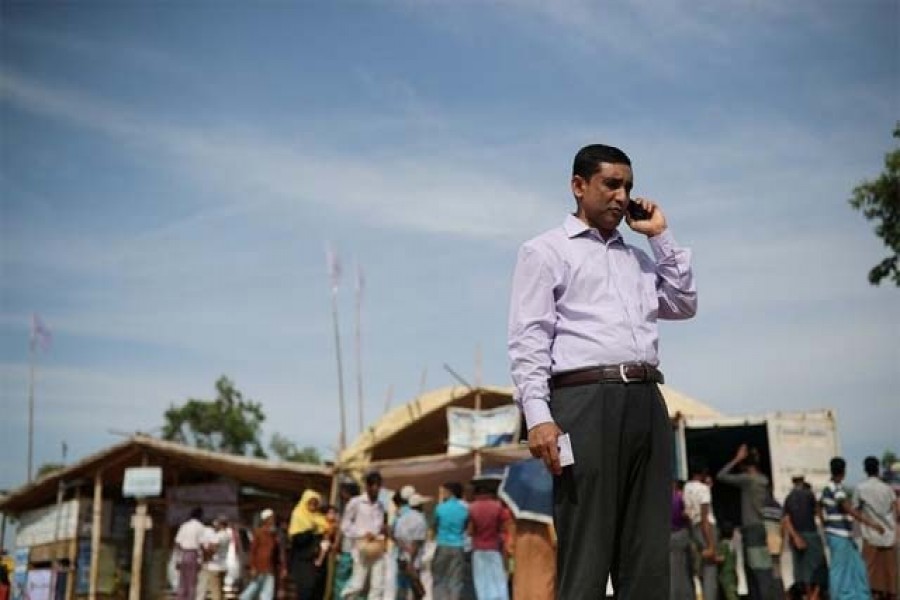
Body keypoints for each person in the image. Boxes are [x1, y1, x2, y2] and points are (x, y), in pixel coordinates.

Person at [508, 143, 697, 599]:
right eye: (611, 184)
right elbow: (528, 337)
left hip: (647, 400)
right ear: (578, 186)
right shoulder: (545, 251)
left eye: (628, 186)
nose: (621, 195)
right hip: (583, 402)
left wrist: (659, 237)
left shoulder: (638, 259)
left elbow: (683, 303)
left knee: (648, 553)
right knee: (587, 550)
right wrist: (539, 416)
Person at [717, 444, 777, 599]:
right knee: (762, 568)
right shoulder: (763, 480)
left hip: (751, 529)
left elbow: (721, 476)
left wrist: (737, 458)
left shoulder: (747, 480)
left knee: (755, 570)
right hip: (762, 527)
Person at [821, 456, 884, 600]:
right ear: (843, 472)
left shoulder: (829, 488)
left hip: (842, 535)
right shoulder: (836, 488)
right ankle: (837, 596)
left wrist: (826, 523)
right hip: (839, 536)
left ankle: (858, 595)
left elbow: (819, 505)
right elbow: (846, 507)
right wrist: (871, 523)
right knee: (839, 569)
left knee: (857, 566)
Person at [853, 456, 897, 600]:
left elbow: (856, 511)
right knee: (889, 570)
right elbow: (896, 509)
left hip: (870, 535)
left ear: (865, 470)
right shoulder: (887, 488)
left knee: (870, 571)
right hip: (888, 536)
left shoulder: (860, 488)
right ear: (878, 469)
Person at [340, 471, 387, 599]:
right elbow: (345, 525)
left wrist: (381, 532)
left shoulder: (381, 506)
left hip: (377, 547)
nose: (375, 488)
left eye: (378, 486)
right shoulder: (356, 502)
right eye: (372, 485)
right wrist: (361, 533)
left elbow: (379, 526)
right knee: (357, 585)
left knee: (378, 585)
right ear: (367, 486)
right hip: (361, 547)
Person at [783, 476, 827, 600]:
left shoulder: (788, 498)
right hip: (810, 534)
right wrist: (826, 527)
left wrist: (795, 537)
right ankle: (814, 595)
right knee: (818, 566)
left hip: (795, 537)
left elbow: (786, 519)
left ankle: (808, 595)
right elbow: (818, 511)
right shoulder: (808, 494)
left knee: (801, 569)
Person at [467, 480, 510, 600]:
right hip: (494, 547)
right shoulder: (498, 506)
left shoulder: (472, 507)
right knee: (497, 579)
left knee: (481, 580)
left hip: (478, 548)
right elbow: (504, 526)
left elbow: (470, 531)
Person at [683, 460, 718, 600]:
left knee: (701, 569)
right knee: (710, 569)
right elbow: (705, 517)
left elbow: (689, 511)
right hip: (706, 528)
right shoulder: (703, 489)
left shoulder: (687, 487)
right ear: (702, 473)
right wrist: (710, 544)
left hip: (694, 527)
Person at [432, 482, 469, 600]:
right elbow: (465, 527)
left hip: (442, 544)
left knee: (439, 578)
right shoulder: (464, 509)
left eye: (444, 492)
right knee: (455, 580)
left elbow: (435, 525)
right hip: (458, 545)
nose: (443, 495)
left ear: (450, 492)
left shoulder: (440, 508)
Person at [289, 489, 327, 600]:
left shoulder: (319, 518)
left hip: (317, 562)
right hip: (303, 562)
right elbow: (298, 540)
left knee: (317, 591)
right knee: (306, 591)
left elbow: (326, 533)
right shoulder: (298, 515)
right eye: (310, 503)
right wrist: (311, 531)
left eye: (315, 503)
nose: (313, 506)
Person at [394, 492, 429, 600]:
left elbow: (397, 538)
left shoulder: (401, 518)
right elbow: (416, 542)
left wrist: (405, 549)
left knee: (401, 588)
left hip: (401, 558)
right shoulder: (420, 519)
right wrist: (411, 561)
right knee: (416, 592)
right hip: (414, 561)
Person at [241, 509, 281, 600]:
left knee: (267, 593)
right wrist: (253, 566)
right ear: (265, 520)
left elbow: (277, 554)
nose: (273, 521)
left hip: (270, 568)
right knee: (253, 589)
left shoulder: (274, 535)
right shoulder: (259, 533)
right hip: (259, 567)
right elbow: (253, 551)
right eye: (271, 518)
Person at [332, 481, 360, 600]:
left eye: (342, 492)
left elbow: (342, 530)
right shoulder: (364, 506)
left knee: (341, 581)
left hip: (348, 551)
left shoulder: (350, 507)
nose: (341, 495)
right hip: (360, 551)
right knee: (357, 582)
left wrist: (335, 545)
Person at [196, 515, 231, 600]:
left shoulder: (219, 536)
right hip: (223, 566)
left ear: (221, 524)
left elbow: (213, 549)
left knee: (215, 593)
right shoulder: (227, 535)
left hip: (215, 567)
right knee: (220, 592)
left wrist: (204, 549)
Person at [175, 507, 206, 600]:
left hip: (184, 553)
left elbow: (178, 542)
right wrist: (202, 558)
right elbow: (202, 543)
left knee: (182, 581)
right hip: (193, 554)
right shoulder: (200, 527)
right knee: (192, 581)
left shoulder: (184, 525)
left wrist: (178, 557)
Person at [670, 480, 694, 600]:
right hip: (680, 534)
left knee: (673, 570)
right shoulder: (678, 498)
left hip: (669, 535)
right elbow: (686, 515)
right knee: (683, 570)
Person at [716, 521, 739, 600]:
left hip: (726, 576)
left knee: (730, 595)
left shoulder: (723, 545)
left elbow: (722, 558)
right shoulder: (732, 545)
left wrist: (712, 558)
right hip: (733, 574)